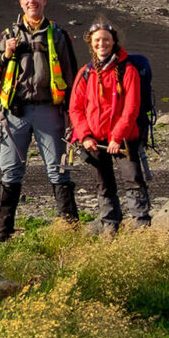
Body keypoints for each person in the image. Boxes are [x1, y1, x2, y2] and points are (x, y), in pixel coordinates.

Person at [0, 0, 79, 241]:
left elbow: (71, 76)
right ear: (20, 2)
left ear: (45, 1)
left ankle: (70, 230)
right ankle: (3, 232)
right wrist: (7, 54)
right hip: (15, 113)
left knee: (59, 169)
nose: (32, 1)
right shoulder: (9, 35)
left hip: (49, 111)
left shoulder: (58, 34)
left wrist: (72, 116)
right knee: (11, 170)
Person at [69, 16, 151, 232]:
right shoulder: (85, 73)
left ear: (113, 41)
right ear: (90, 43)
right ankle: (110, 227)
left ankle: (142, 226)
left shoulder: (128, 70)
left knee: (133, 179)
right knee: (103, 184)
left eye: (105, 40)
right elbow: (75, 109)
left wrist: (117, 136)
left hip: (124, 139)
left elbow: (131, 108)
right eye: (97, 40)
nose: (101, 44)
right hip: (94, 141)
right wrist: (85, 136)